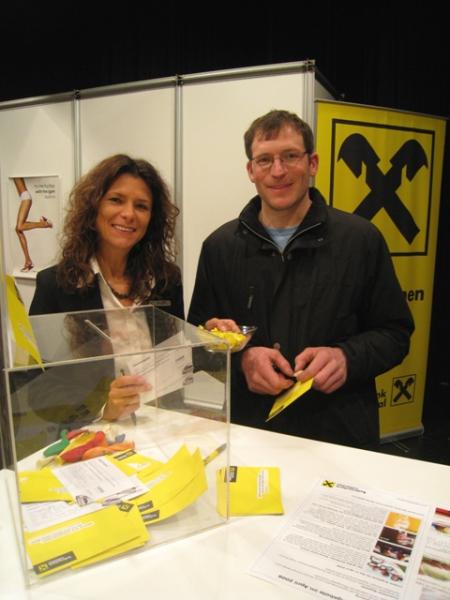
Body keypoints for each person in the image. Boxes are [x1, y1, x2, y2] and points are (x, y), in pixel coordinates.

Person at [188, 110, 414, 447]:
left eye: (290, 156)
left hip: (340, 435)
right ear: (251, 170)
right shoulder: (219, 248)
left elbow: (395, 334)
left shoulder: (361, 240)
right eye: (265, 160)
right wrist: (241, 361)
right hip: (252, 433)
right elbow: (195, 342)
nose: (278, 171)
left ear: (313, 163)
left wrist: (346, 358)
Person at [28, 154, 184, 424]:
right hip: (96, 432)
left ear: (152, 218)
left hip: (164, 426)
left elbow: (177, 357)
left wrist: (214, 340)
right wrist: (103, 409)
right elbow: (37, 387)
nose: (129, 214)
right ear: (94, 207)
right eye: (116, 200)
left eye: (141, 206)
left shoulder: (165, 280)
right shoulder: (56, 285)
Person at [13, 177, 53, 272]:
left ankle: (44, 224)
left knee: (20, 227)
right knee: (18, 229)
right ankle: (28, 261)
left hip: (25, 199)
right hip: (24, 198)